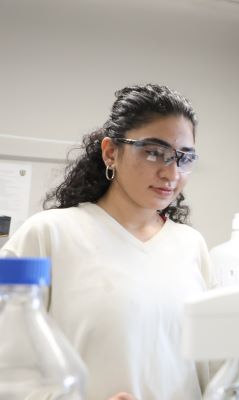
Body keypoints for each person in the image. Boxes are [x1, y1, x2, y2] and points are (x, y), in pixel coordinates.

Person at [0, 84, 214, 400]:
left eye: (185, 158)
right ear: (110, 152)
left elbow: (210, 373)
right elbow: (9, 371)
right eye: (154, 152)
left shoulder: (191, 246)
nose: (172, 173)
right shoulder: (48, 235)